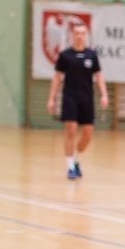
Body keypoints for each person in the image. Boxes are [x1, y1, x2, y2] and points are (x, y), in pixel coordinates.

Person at [47, 22, 108, 180]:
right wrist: (51, 99)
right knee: (71, 129)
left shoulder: (91, 55)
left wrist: (104, 94)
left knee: (88, 134)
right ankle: (69, 167)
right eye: (76, 33)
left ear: (85, 35)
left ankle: (76, 159)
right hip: (70, 97)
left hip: (87, 98)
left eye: (82, 33)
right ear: (72, 35)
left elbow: (99, 76)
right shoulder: (65, 55)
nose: (79, 35)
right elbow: (57, 78)